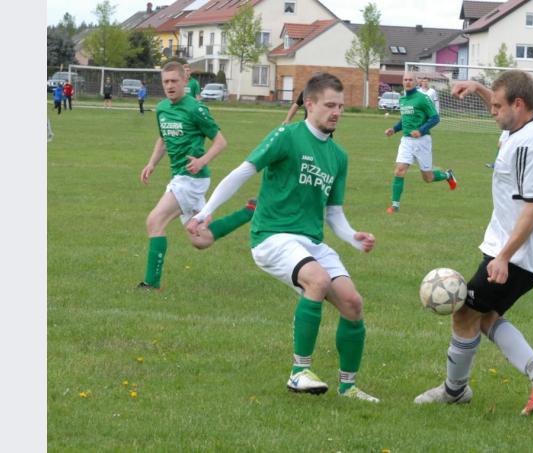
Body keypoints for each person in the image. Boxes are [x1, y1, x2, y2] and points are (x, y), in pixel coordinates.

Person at [186, 73, 379, 402]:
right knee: (317, 280)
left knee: (353, 303)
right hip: (272, 236)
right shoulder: (286, 137)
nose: (337, 112)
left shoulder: (339, 157)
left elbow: (333, 213)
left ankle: (348, 387)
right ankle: (298, 372)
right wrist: (206, 212)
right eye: (330, 105)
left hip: (311, 241)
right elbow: (242, 172)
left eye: (341, 106)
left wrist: (352, 237)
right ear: (310, 104)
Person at [414, 70, 533, 417]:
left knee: (465, 314)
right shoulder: (521, 127)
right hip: (510, 247)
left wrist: (504, 257)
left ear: (519, 104)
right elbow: (501, 109)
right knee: (483, 317)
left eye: (498, 105)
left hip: (519, 254)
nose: (491, 111)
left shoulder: (531, 143)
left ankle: (456, 392)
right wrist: (482, 89)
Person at [138, 61, 255, 290]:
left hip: (191, 179)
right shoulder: (162, 108)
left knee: (155, 221)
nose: (170, 85)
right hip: (181, 178)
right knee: (201, 239)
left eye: (174, 81)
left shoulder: (195, 108)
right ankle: (250, 211)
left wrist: (202, 160)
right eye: (166, 81)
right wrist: (151, 163)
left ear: (185, 82)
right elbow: (163, 139)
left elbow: (221, 142)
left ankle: (151, 284)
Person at [384, 72, 456, 214]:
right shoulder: (403, 99)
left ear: (416, 82)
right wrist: (394, 129)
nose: (408, 82)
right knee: (399, 170)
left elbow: (435, 118)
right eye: (405, 80)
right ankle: (395, 206)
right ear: (402, 82)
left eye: (410, 80)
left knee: (427, 178)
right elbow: (404, 120)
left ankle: (448, 175)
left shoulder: (423, 98)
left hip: (422, 141)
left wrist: (421, 131)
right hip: (406, 141)